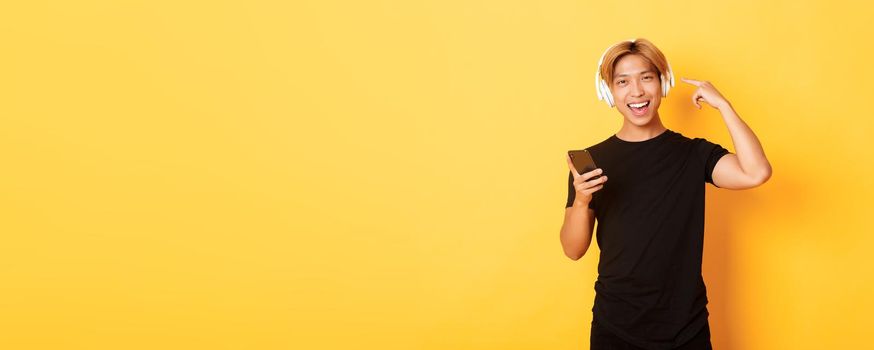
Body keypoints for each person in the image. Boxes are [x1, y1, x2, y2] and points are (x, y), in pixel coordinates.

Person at [559, 38, 772, 350]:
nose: (637, 92)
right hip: (615, 326)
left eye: (646, 77)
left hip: (686, 327)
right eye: (622, 82)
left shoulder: (694, 154)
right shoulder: (592, 162)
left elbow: (756, 172)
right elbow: (573, 249)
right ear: (608, 92)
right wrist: (581, 199)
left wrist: (724, 106)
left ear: (663, 82)